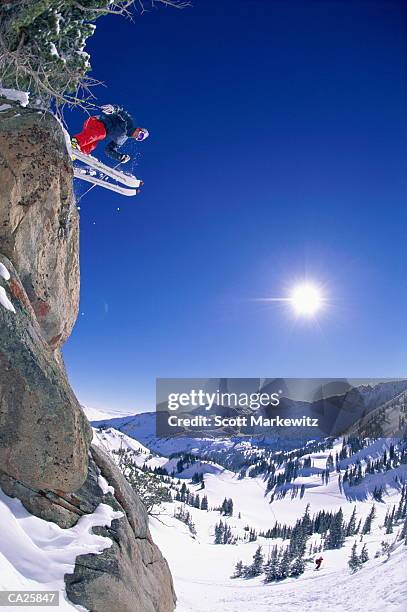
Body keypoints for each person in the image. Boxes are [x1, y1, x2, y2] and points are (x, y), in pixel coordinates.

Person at [71, 104, 149, 163]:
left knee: (92, 145)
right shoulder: (129, 123)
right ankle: (74, 141)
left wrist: (120, 157)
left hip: (95, 134)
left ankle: (75, 153)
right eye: (140, 135)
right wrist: (113, 109)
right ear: (139, 129)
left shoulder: (121, 140)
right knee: (101, 133)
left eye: (139, 138)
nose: (137, 137)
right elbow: (121, 112)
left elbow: (109, 150)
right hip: (97, 122)